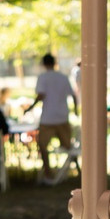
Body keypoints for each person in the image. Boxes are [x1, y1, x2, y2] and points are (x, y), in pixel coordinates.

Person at [32, 53, 78, 185]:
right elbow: (73, 95)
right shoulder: (63, 77)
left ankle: (49, 173)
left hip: (48, 118)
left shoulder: (43, 77)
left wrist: (30, 107)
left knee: (43, 146)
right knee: (67, 146)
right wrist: (74, 111)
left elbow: (41, 95)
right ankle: (59, 172)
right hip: (62, 116)